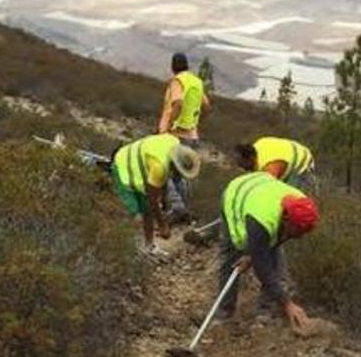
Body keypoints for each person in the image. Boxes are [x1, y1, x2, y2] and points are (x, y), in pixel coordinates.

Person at [218, 171, 319, 328]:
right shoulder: (262, 221)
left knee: (273, 258)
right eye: (298, 230)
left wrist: (253, 254)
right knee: (231, 257)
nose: (300, 236)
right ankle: (224, 312)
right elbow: (262, 268)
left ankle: (264, 311)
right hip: (235, 194)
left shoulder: (300, 203)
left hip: (262, 188)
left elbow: (278, 239)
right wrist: (288, 304)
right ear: (286, 218)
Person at [111, 134, 201, 254]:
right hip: (123, 166)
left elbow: (159, 188)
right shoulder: (159, 167)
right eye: (179, 172)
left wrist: (163, 203)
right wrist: (162, 224)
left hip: (143, 166)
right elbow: (152, 199)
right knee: (133, 213)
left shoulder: (173, 141)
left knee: (147, 210)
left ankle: (149, 246)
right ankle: (122, 248)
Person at [157, 53, 210, 221]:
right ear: (187, 65)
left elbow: (178, 102)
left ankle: (177, 208)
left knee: (164, 172)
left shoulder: (177, 81)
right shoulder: (196, 82)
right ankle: (181, 211)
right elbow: (207, 106)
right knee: (180, 174)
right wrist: (195, 122)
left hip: (176, 134)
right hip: (192, 136)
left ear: (173, 66)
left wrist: (170, 125)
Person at [234, 137, 315, 188]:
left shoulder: (270, 168)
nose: (242, 168)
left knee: (292, 198)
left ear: (251, 158)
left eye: (243, 164)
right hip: (288, 153)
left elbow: (272, 189)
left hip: (302, 163)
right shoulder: (258, 145)